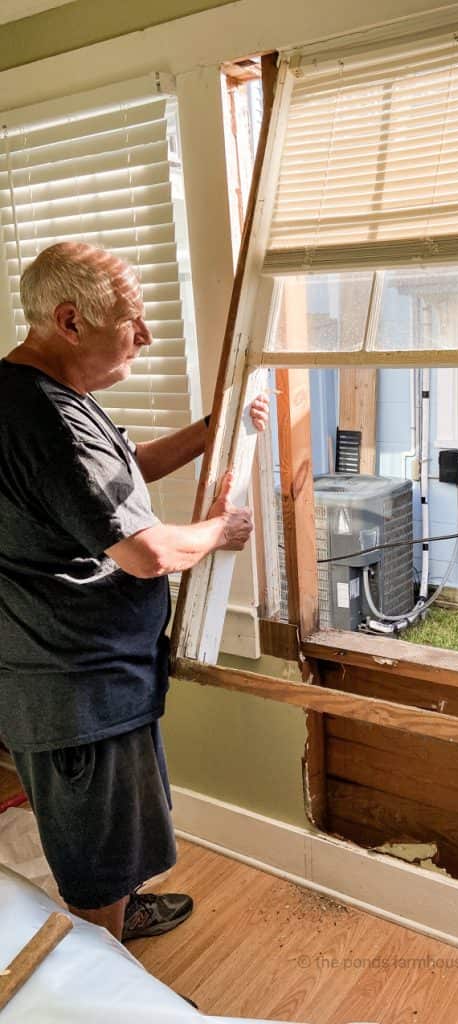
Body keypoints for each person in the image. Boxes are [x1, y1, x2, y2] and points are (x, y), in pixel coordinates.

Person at [0, 241, 269, 943]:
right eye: (133, 320)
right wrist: (218, 532)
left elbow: (130, 469)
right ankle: (104, 963)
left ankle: (115, 911)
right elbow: (147, 553)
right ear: (69, 321)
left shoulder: (42, 393)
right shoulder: (46, 421)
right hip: (76, 688)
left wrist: (218, 429)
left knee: (115, 836)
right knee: (97, 852)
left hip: (88, 670)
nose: (146, 336)